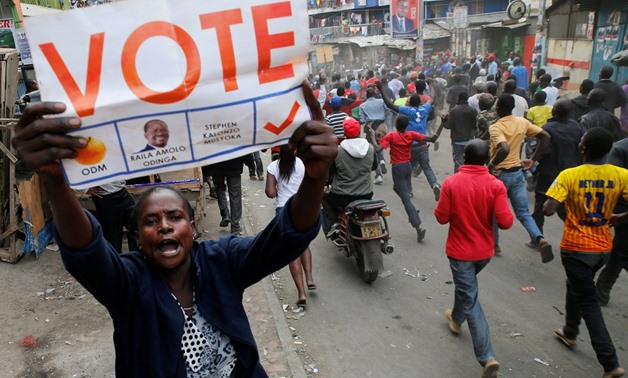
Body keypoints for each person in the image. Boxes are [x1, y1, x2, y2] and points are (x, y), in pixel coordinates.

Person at [10, 82, 338, 377]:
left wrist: (315, 177)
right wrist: (54, 178)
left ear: (193, 228)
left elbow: (283, 238)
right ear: (137, 238)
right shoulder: (128, 284)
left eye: (174, 217)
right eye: (151, 221)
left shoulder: (222, 261)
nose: (164, 225)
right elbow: (87, 253)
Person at [544, 127, 627, 378]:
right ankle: (570, 332)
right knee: (578, 286)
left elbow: (548, 209)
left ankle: (610, 363)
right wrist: (618, 218)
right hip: (603, 248)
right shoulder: (621, 175)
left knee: (589, 303)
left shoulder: (569, 175)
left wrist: (564, 200)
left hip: (576, 248)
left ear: (583, 148)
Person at [435, 139, 513, 378]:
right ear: (485, 159)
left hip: (460, 253)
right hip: (484, 253)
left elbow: (441, 218)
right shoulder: (495, 184)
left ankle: (487, 356)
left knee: (470, 299)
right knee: (466, 289)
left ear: (464, 159)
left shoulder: (451, 182)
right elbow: (506, 222)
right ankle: (456, 319)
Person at [487, 94, 554, 262]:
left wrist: (490, 166)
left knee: (493, 213)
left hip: (500, 176)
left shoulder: (496, 127)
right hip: (517, 174)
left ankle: (495, 245)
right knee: (523, 213)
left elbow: (503, 148)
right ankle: (540, 238)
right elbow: (545, 136)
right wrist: (533, 159)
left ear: (498, 109)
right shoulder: (522, 122)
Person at [369, 113, 443, 242]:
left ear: (396, 125)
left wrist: (372, 137)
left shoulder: (392, 136)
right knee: (399, 190)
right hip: (408, 167)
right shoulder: (411, 135)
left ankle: (417, 226)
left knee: (405, 199)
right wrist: (443, 123)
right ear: (407, 125)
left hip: (397, 168)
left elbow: (377, 149)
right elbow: (432, 139)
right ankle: (413, 211)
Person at [265, 145, 315, 309]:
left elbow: (270, 193)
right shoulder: (301, 163)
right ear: (295, 151)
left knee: (291, 251)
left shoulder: (273, 167)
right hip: (302, 207)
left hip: (283, 211)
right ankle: (309, 278)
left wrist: (279, 186)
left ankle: (301, 293)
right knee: (304, 244)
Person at [376, 81, 442, 201]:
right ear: (420, 102)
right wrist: (431, 84)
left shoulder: (407, 111)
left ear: (410, 102)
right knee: (426, 167)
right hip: (423, 144)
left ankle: (409, 191)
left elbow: (390, 104)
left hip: (410, 145)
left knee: (408, 169)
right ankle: (435, 184)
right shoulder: (424, 109)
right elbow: (432, 97)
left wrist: (381, 90)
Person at [530, 99, 583, 234]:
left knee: (540, 207)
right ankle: (578, 232)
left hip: (548, 173)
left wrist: (533, 160)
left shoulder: (548, 128)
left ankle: (537, 238)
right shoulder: (577, 127)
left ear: (554, 111)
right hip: (569, 173)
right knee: (564, 207)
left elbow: (541, 151)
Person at [322, 117, 375, 236]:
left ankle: (333, 224)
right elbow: (374, 167)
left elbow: (330, 173)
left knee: (323, 197)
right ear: (359, 131)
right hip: (366, 195)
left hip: (342, 196)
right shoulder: (370, 148)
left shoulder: (338, 151)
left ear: (344, 133)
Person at [596, 137, 628, 306]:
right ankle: (602, 292)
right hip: (622, 210)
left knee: (620, 252)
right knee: (622, 250)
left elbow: (609, 181)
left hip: (622, 211)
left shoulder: (620, 148)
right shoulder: (621, 148)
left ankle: (602, 292)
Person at [203, 155, 254, 235]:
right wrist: (250, 164)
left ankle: (225, 213)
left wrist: (205, 171)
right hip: (234, 165)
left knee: (219, 189)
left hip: (216, 165)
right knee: (235, 195)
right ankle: (235, 226)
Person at [86, 180, 137, 252]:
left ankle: (136, 256)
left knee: (135, 226)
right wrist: (86, 190)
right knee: (113, 238)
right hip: (105, 197)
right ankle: (117, 260)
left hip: (121, 191)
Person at [442, 92, 478, 172]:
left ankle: (458, 175)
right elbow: (475, 126)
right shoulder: (472, 110)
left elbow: (449, 126)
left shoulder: (454, 110)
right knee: (468, 160)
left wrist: (444, 121)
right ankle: (466, 174)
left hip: (457, 141)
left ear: (458, 99)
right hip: (469, 140)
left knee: (458, 159)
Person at [359, 87, 388, 183]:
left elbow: (362, 120)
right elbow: (388, 109)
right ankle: (382, 160)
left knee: (372, 150)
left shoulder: (362, 106)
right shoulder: (381, 101)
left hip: (371, 127)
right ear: (374, 94)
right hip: (382, 127)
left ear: (367, 95)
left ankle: (378, 174)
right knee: (380, 145)